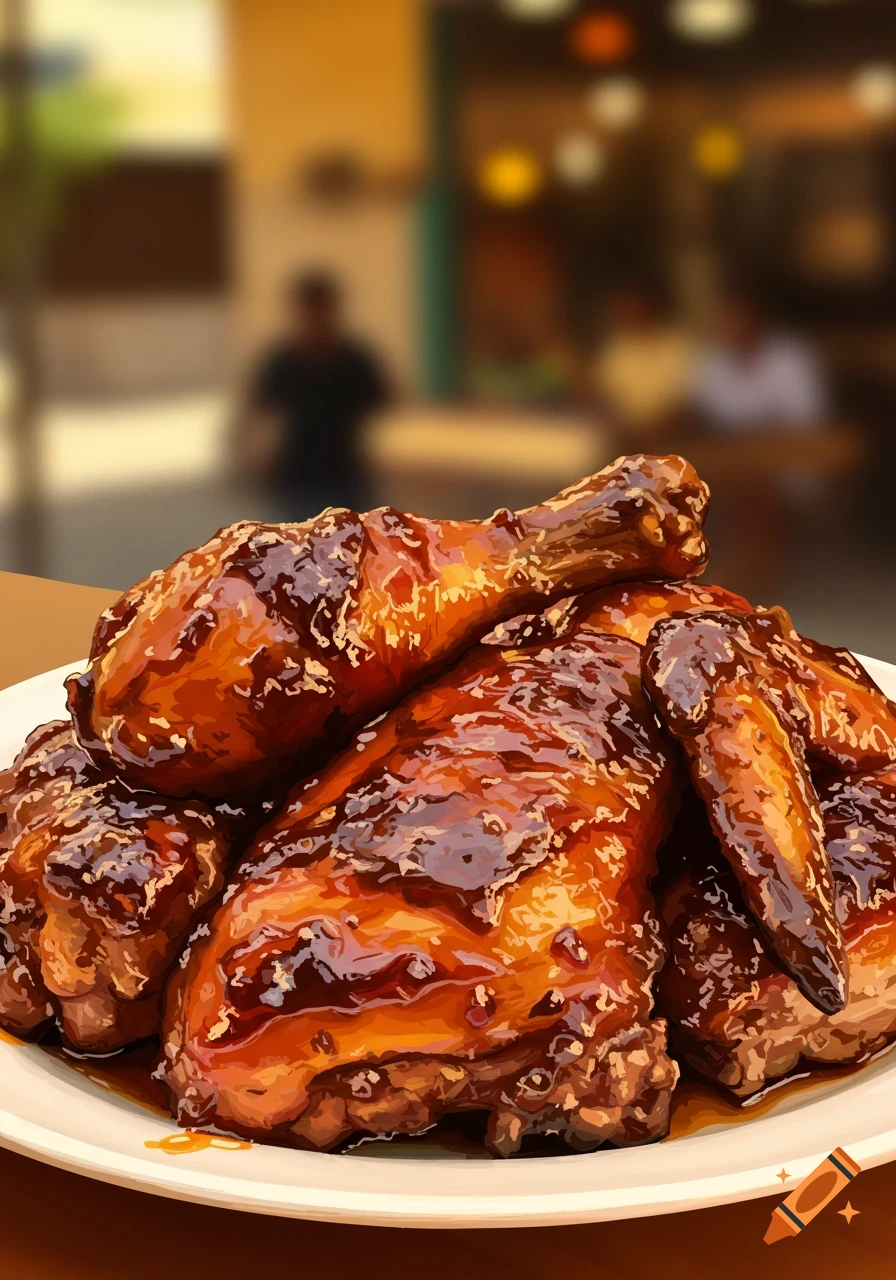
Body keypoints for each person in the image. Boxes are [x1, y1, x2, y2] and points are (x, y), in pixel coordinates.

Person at [239, 270, 390, 519]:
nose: (314, 318)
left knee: (346, 551)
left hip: (345, 477)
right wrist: (251, 459)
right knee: (298, 550)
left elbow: (385, 405)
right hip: (295, 480)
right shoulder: (282, 361)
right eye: (308, 310)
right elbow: (254, 412)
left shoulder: (354, 360)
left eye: (320, 310)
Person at [694, 291, 826, 432]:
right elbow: (707, 420)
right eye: (729, 323)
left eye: (743, 321)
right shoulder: (710, 362)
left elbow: (808, 418)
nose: (736, 330)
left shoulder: (791, 359)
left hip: (790, 446)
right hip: (730, 450)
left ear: (758, 322)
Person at [591, 284, 695, 438]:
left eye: (638, 308)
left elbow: (685, 401)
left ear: (652, 308)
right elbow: (604, 398)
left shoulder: (676, 346)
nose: (633, 314)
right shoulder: (616, 349)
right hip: (625, 437)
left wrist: (655, 429)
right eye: (627, 309)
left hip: (673, 435)